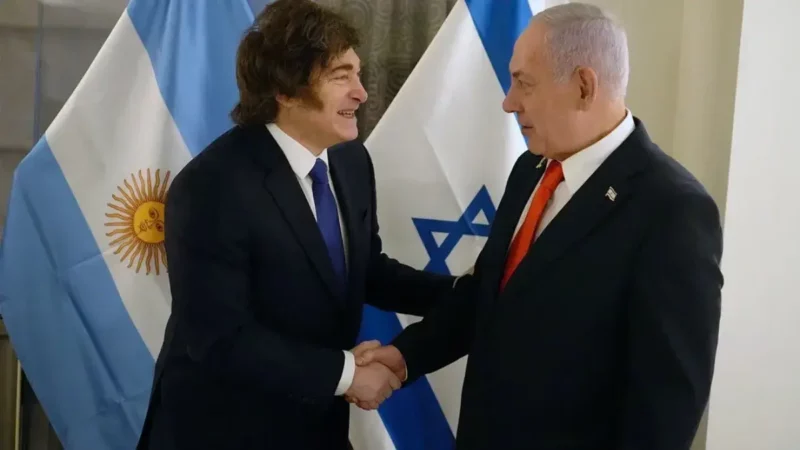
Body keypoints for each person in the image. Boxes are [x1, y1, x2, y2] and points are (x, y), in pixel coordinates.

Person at [354, 3, 724, 449]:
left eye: (524, 84)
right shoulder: (531, 169)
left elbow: (666, 405)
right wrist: (404, 357)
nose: (508, 102)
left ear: (584, 86)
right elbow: (489, 297)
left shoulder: (671, 209)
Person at [135, 1, 456, 449]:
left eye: (358, 74)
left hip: (315, 426)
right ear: (284, 90)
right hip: (224, 431)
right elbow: (221, 339)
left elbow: (363, 270)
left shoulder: (351, 161)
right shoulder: (212, 186)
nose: (361, 93)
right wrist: (347, 374)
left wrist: (464, 293)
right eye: (341, 76)